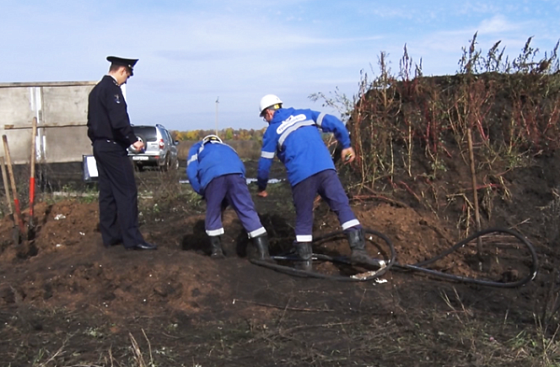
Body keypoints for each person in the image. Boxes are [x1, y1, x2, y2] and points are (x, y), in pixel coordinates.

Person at [256, 94, 384, 271]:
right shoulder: (305, 113)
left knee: (303, 217)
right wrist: (346, 145)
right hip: (325, 168)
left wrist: (262, 186)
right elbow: (334, 122)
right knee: (342, 206)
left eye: (264, 117)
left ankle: (305, 265)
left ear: (269, 113)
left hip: (301, 176)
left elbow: (264, 164)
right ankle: (358, 251)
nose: (266, 120)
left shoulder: (272, 131)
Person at [87, 56, 156, 251]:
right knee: (127, 191)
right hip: (112, 147)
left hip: (99, 146)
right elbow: (118, 121)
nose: (126, 80)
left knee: (107, 192)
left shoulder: (96, 91)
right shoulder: (112, 90)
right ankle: (132, 238)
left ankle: (110, 236)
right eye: (127, 75)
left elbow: (91, 124)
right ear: (122, 70)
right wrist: (133, 140)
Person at [186, 135, 272, 261]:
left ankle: (217, 252)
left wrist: (202, 192)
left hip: (213, 177)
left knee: (213, 211)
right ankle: (264, 254)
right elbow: (239, 165)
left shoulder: (197, 148)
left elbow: (191, 173)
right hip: (236, 175)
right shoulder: (228, 147)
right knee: (247, 210)